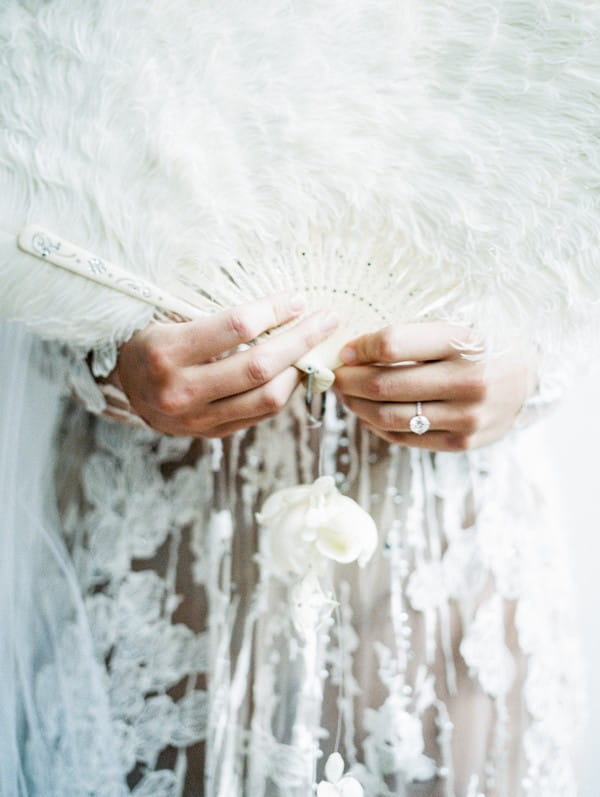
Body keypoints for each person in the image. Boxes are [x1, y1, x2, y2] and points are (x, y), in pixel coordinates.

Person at [0, 2, 597, 795]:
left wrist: (526, 369)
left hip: (439, 550)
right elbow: (35, 213)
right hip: (160, 559)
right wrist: (115, 366)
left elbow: (564, 182)